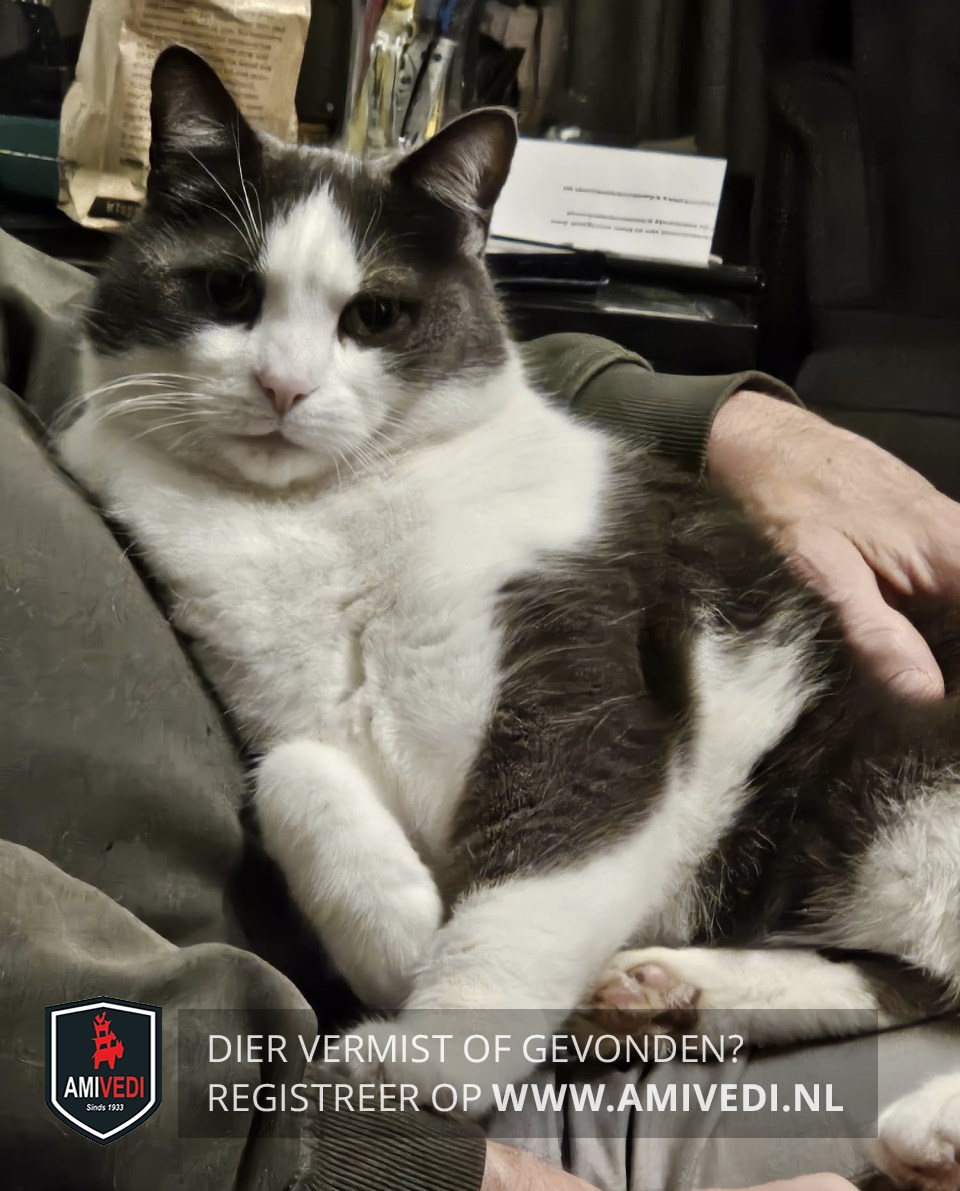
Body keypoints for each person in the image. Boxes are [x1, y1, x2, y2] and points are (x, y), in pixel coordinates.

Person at [1, 227, 955, 1191]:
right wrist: (387, 1151)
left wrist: (706, 422)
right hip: (295, 1096)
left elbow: (71, 308)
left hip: (602, 954)